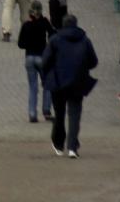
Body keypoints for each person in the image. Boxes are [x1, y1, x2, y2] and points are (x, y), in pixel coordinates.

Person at [41, 15, 98, 159]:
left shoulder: (55, 40)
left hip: (58, 83)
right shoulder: (85, 40)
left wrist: (46, 77)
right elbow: (93, 62)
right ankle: (72, 147)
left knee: (59, 115)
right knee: (74, 115)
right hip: (77, 82)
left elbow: (45, 62)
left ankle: (59, 144)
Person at [18, 1, 55, 122]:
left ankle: (32, 114)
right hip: (42, 57)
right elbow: (52, 34)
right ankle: (46, 111)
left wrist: (29, 44)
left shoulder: (26, 24)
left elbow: (20, 44)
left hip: (29, 58)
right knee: (48, 84)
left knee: (33, 87)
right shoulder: (44, 22)